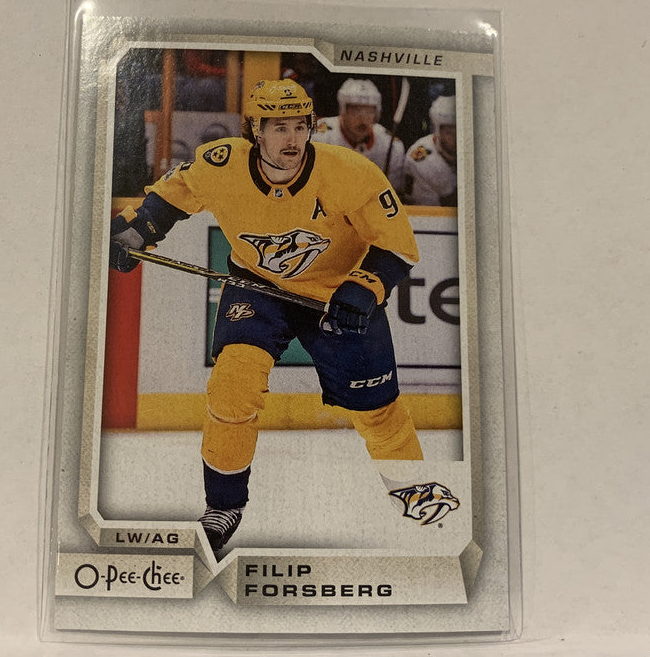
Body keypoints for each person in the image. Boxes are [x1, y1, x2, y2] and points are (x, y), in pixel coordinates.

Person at [110, 79, 423, 553]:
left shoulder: (351, 174)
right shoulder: (222, 163)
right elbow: (174, 195)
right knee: (232, 387)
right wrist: (136, 232)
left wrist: (366, 286)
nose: (292, 139)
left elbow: (397, 244)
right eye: (279, 128)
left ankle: (416, 492)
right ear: (255, 130)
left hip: (336, 296)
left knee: (376, 409)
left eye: (300, 126)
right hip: (258, 287)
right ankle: (223, 505)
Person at [315, 78, 406, 191]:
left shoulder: (390, 146)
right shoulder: (320, 138)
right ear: (343, 111)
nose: (362, 118)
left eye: (369, 111)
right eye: (355, 110)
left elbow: (393, 192)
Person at [401, 95, 457, 206]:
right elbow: (429, 213)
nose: (457, 138)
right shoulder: (421, 161)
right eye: (450, 132)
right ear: (437, 131)